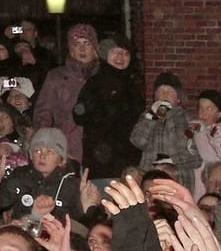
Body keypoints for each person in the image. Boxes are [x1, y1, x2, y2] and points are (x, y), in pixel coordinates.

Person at [77, 40, 144, 183]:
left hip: (130, 158)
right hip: (101, 160)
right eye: (115, 52)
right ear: (105, 55)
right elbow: (79, 115)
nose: (120, 57)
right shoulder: (95, 83)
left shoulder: (134, 85)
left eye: (125, 53)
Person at [34, 23, 101, 162]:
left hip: (100, 151)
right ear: (70, 48)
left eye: (87, 43)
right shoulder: (56, 77)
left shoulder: (104, 76)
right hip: (67, 149)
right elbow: (43, 114)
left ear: (94, 48)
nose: (82, 49)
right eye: (77, 44)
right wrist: (48, 146)